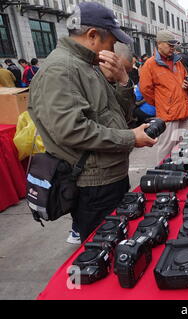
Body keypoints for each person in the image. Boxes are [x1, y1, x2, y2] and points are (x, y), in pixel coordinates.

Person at [28, 2, 157, 243]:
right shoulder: (62, 70)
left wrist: (122, 81)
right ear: (93, 35)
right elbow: (72, 131)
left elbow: (118, 115)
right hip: (93, 184)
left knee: (120, 241)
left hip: (108, 176)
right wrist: (129, 138)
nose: (114, 48)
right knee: (103, 249)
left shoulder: (87, 65)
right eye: (111, 42)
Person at [140, 30, 188, 167]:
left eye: (173, 46)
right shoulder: (150, 65)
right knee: (166, 150)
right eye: (169, 45)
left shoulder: (178, 63)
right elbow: (145, 90)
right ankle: (162, 174)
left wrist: (187, 85)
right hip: (167, 115)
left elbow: (186, 80)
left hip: (182, 112)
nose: (172, 48)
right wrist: (163, 103)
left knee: (183, 147)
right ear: (159, 44)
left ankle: (181, 174)